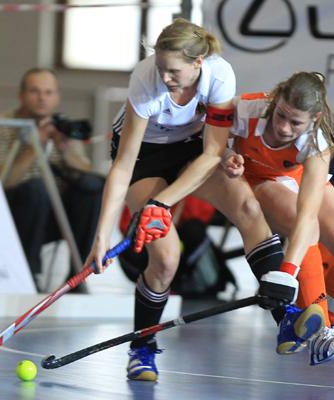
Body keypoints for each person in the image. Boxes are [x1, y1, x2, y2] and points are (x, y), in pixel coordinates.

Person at [86, 19, 321, 381]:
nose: (165, 77)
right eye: (161, 68)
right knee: (166, 259)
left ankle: (286, 317)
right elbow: (123, 164)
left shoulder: (220, 74)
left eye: (173, 71)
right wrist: (101, 236)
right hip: (146, 157)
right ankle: (142, 348)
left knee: (248, 208)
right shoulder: (146, 79)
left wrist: (162, 203)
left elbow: (212, 152)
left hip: (195, 151)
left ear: (198, 63)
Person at [222, 72, 334, 365]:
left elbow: (309, 213)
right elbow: (210, 136)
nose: (283, 127)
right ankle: (323, 332)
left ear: (314, 118)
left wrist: (286, 273)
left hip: (297, 177)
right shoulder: (245, 108)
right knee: (297, 221)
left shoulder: (317, 144)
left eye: (295, 123)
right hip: (256, 178)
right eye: (280, 115)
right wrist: (226, 154)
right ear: (275, 100)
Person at [0, 68, 104, 290]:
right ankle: (29, 275)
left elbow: (85, 172)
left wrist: (65, 150)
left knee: (94, 187)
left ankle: (78, 274)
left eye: (48, 92)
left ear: (57, 97)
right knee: (37, 189)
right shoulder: (2, 125)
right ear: (21, 95)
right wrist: (34, 147)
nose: (42, 98)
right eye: (35, 91)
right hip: (16, 208)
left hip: (57, 213)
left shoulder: (62, 126)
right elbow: (0, 182)